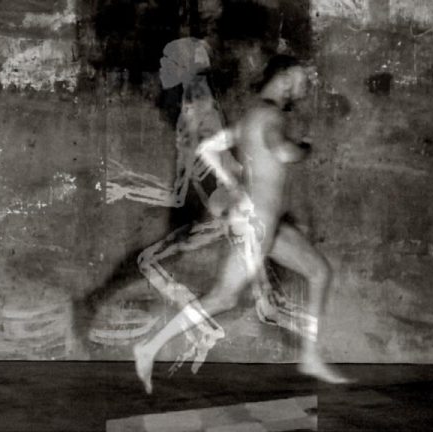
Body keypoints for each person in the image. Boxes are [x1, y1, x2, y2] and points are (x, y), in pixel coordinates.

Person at [133, 54, 354, 394]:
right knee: (223, 298)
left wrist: (233, 183)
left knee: (319, 272)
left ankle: (310, 356)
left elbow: (208, 149)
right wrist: (306, 147)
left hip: (265, 222)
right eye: (301, 79)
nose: (305, 87)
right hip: (256, 224)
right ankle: (149, 348)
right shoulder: (272, 116)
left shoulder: (253, 115)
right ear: (284, 77)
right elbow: (284, 153)